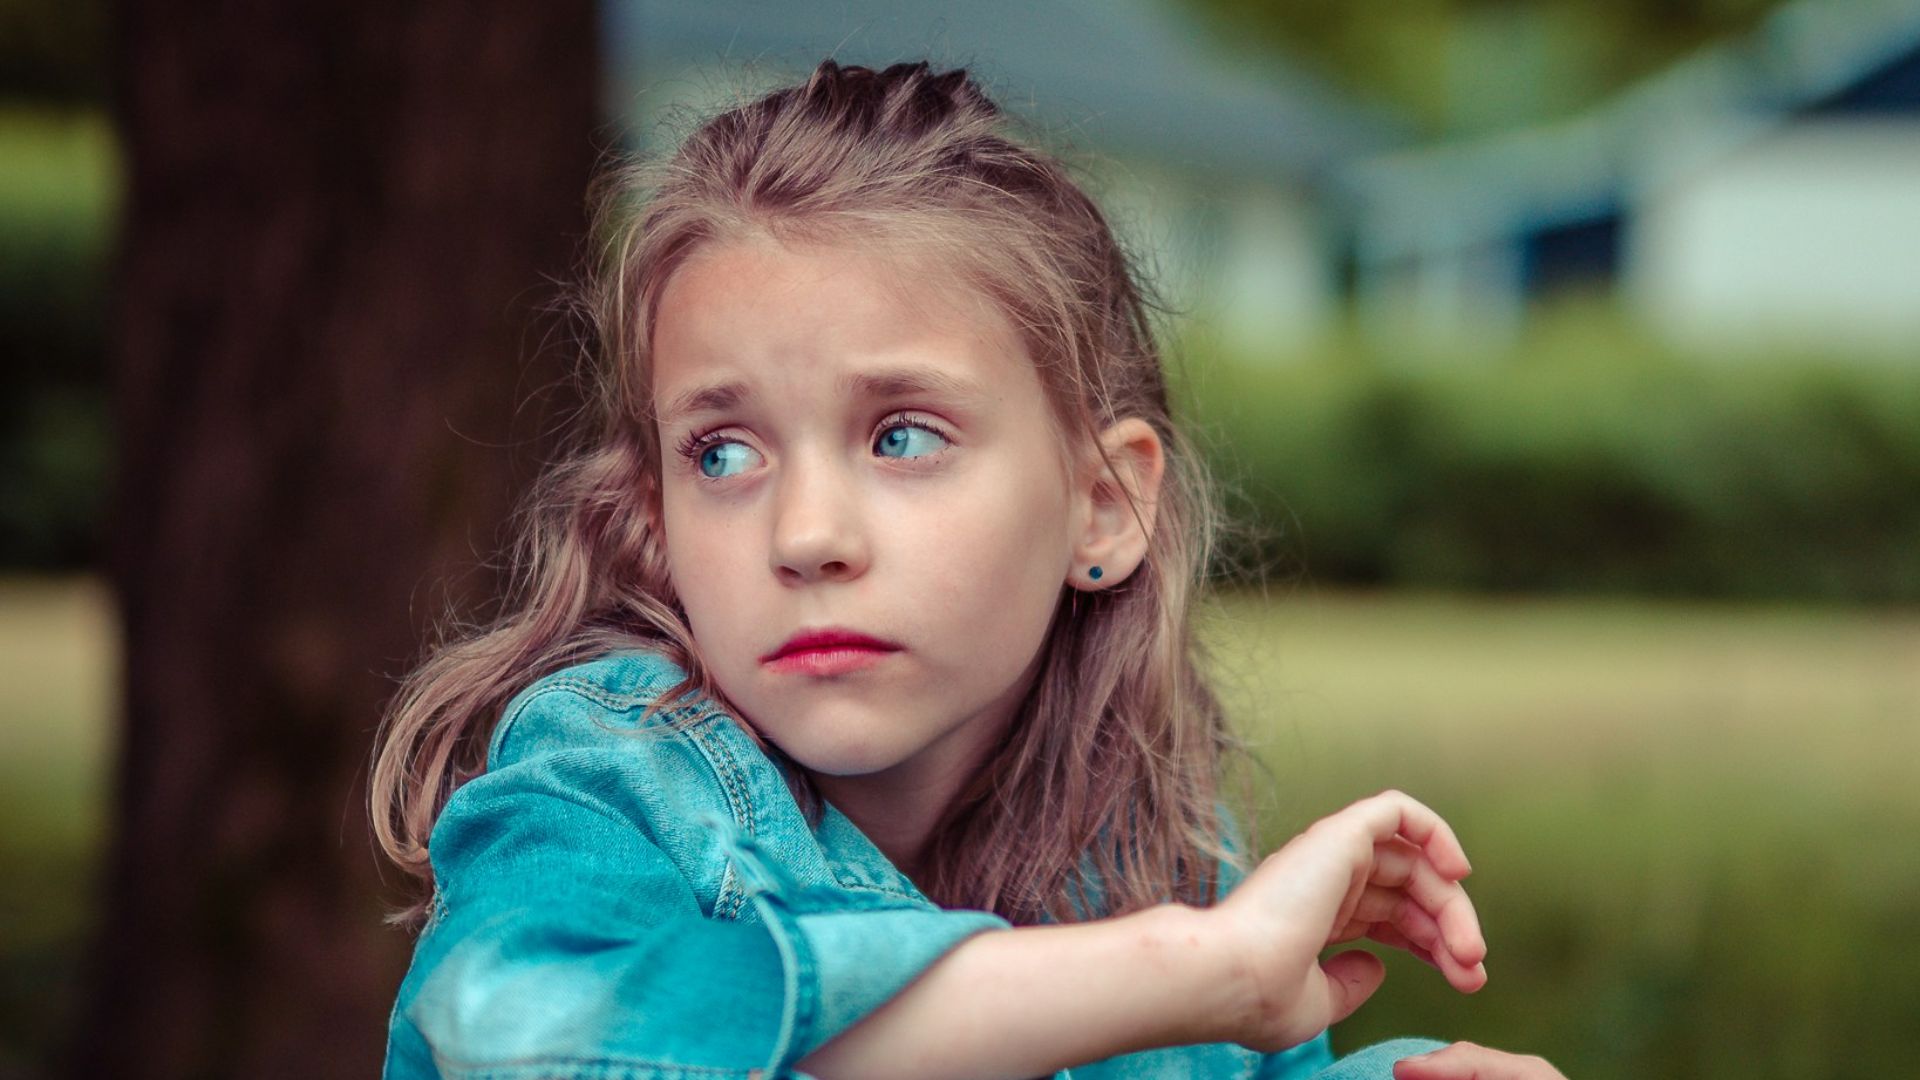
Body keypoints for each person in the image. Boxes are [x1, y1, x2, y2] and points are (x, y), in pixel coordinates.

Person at [369, 59, 1566, 1080]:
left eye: (902, 436)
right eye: (723, 453)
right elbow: (522, 1033)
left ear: (1102, 505)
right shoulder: (607, 776)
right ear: (655, 515)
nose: (805, 534)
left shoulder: (1166, 865)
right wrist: (1179, 975)